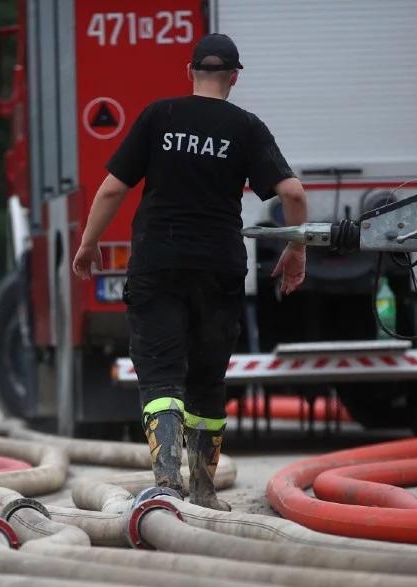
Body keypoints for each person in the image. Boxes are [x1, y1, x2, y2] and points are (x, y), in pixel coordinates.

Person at [71, 33, 307, 510]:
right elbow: (295, 194)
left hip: (158, 263)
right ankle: (203, 489)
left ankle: (166, 482)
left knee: (160, 378)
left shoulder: (161, 116)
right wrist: (296, 249)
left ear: (190, 72)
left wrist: (88, 243)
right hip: (219, 267)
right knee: (208, 379)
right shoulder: (246, 127)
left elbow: (113, 189)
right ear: (234, 78)